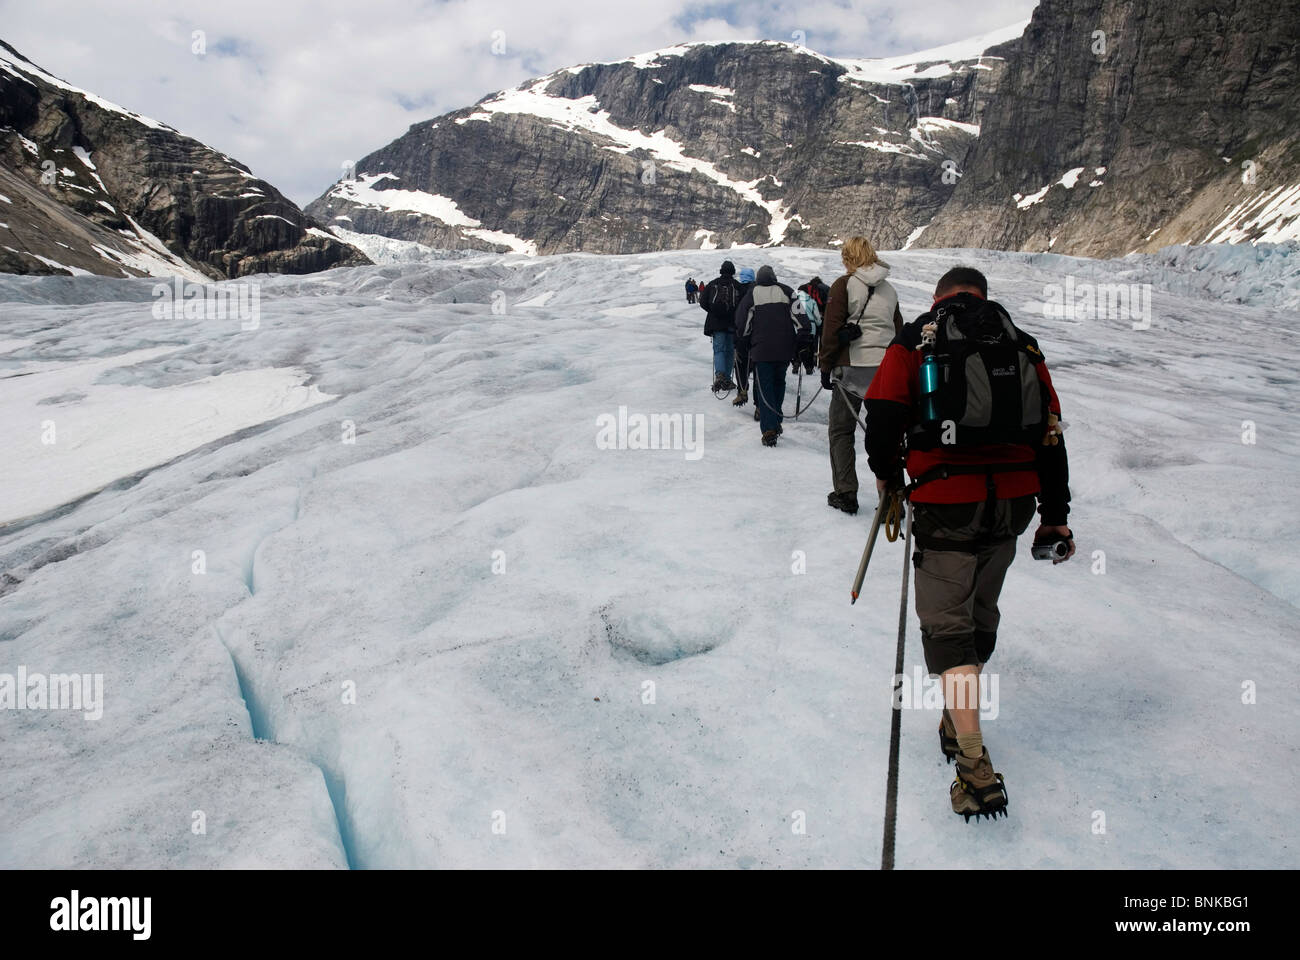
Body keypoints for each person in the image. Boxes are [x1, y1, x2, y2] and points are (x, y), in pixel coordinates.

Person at [864, 265, 1074, 821]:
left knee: (948, 630)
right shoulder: (1020, 343)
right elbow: (1050, 434)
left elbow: (882, 419)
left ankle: (974, 769)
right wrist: (1055, 517)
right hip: (1012, 505)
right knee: (981, 610)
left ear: (938, 297)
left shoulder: (918, 339)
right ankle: (957, 717)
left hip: (944, 501)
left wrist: (888, 478)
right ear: (983, 294)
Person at [819, 238, 903, 515]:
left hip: (853, 366)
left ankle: (846, 492)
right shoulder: (889, 289)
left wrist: (825, 366)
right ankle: (892, 499)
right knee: (889, 435)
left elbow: (831, 329)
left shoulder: (843, 285)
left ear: (848, 258)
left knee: (841, 430)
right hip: (887, 368)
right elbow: (898, 328)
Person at [735, 265, 807, 446]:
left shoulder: (753, 294)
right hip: (784, 349)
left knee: (765, 387)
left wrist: (743, 342)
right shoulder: (787, 291)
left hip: (761, 349)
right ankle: (776, 420)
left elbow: (742, 322)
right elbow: (801, 318)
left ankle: (769, 428)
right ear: (774, 277)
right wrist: (803, 341)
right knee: (778, 383)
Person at [697, 262, 744, 392]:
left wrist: (712, 311)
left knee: (719, 350)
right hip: (732, 323)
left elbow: (702, 301)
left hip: (716, 323)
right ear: (733, 271)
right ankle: (727, 379)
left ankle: (720, 375)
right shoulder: (737, 286)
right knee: (729, 351)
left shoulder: (713, 284)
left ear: (721, 271)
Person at [733, 267, 757, 413]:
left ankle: (742, 390)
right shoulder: (757, 290)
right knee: (757, 368)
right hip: (758, 334)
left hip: (740, 333)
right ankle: (758, 403)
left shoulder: (737, 290)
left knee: (740, 363)